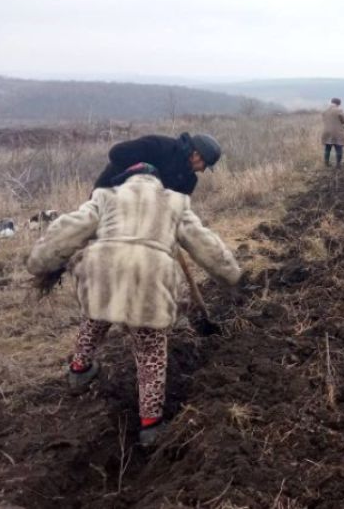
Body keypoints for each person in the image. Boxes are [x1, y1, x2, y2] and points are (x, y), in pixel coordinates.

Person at [27, 163, 241, 446]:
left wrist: (39, 262)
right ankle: (150, 426)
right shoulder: (174, 203)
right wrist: (230, 273)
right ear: (156, 182)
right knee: (150, 351)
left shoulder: (105, 197)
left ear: (126, 181)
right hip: (149, 281)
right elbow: (205, 243)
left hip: (103, 274)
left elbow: (67, 229)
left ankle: (79, 370)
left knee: (96, 316)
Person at [93, 133, 222, 195]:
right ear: (196, 155)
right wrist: (143, 173)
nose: (202, 170)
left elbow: (177, 213)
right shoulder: (158, 146)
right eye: (204, 165)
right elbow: (115, 153)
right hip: (106, 196)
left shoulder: (189, 181)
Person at [322, 97, 344, 167]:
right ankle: (338, 165)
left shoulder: (325, 111)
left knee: (327, 148)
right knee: (339, 148)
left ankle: (326, 163)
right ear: (338, 103)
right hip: (337, 132)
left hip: (326, 132)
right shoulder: (339, 110)